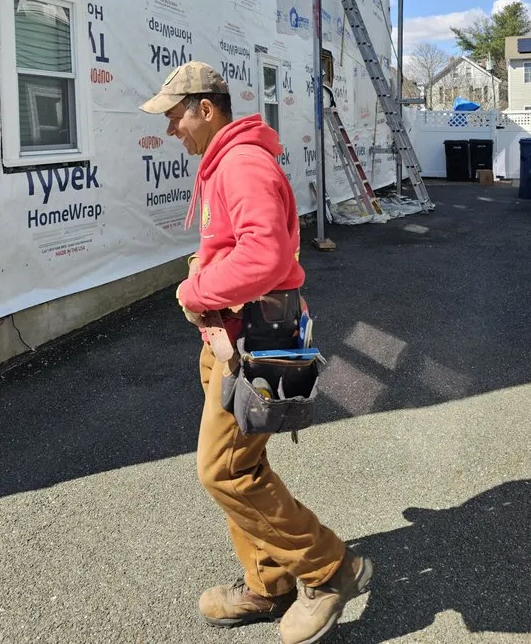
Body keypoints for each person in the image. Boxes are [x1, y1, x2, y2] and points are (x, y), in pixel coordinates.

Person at [140, 61, 372, 644]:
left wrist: (193, 288)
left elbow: (266, 258)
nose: (172, 130)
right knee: (243, 466)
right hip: (226, 340)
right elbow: (242, 248)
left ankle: (329, 568)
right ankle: (267, 583)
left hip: (248, 342)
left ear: (206, 109)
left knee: (221, 470)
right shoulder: (227, 162)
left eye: (175, 117)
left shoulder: (240, 163)